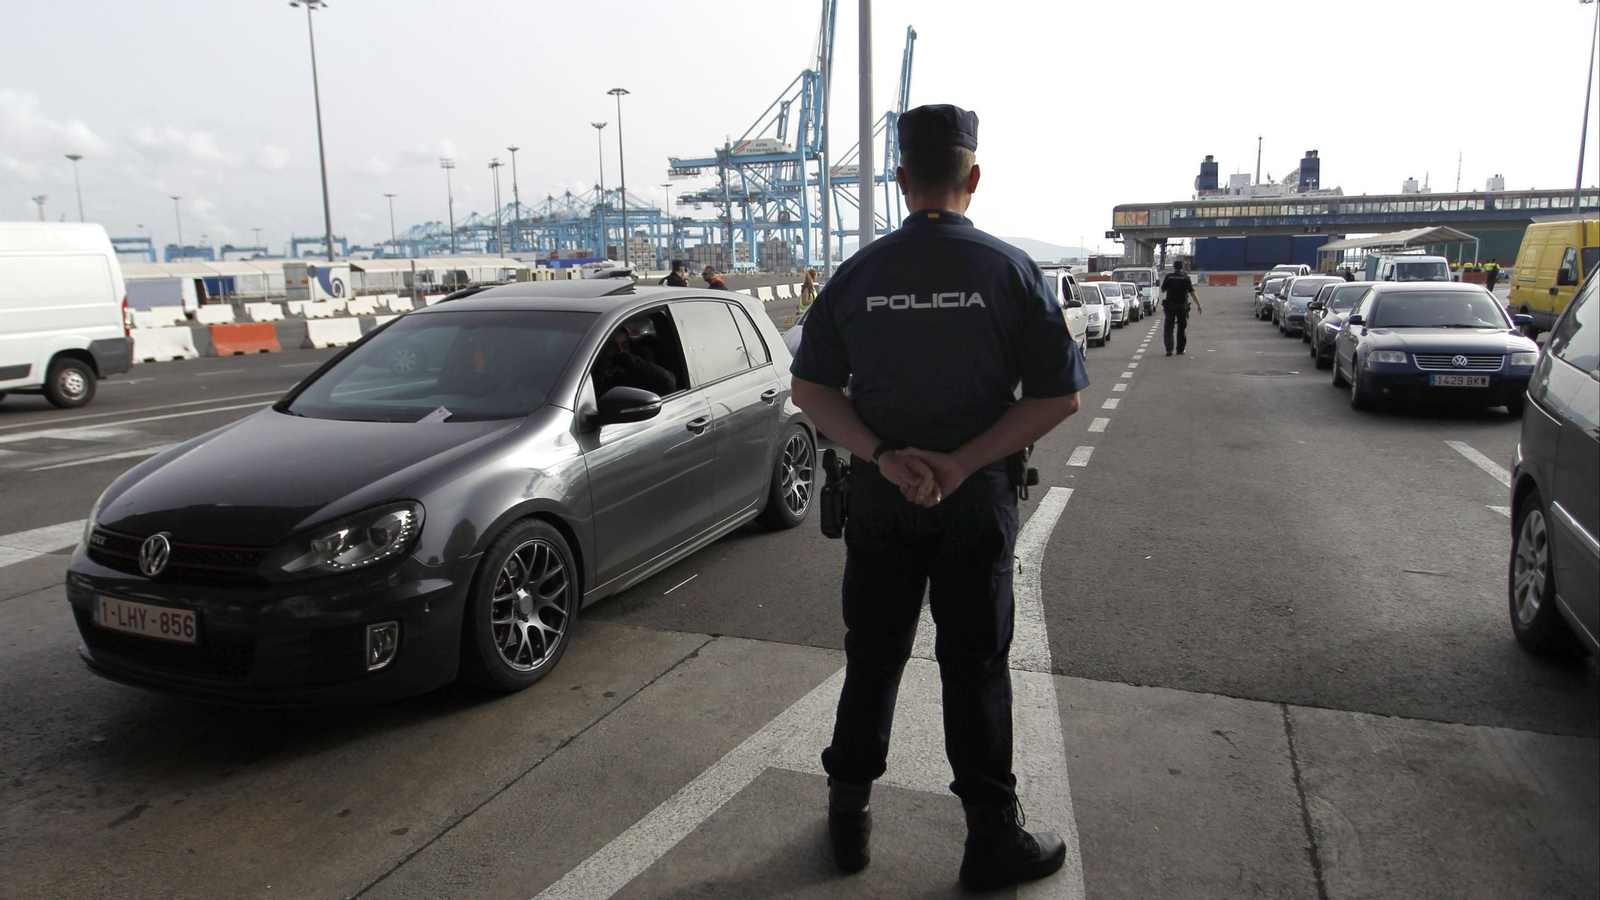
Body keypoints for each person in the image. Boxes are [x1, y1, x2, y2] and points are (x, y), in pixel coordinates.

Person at [790, 103, 1087, 892]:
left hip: (883, 502)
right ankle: (991, 841)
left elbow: (810, 387)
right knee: (976, 668)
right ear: (974, 178)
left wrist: (886, 456)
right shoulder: (1010, 270)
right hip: (973, 501)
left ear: (898, 180)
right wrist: (960, 465)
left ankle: (848, 820)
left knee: (873, 660)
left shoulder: (858, 275)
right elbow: (1059, 398)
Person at [592, 325, 676, 398]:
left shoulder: (633, 376)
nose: (620, 351)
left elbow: (667, 382)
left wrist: (628, 361)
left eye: (625, 346)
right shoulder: (588, 372)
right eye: (611, 347)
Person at [1159, 260, 1203, 356]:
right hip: (1182, 306)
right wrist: (1199, 305)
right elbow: (1192, 292)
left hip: (1170, 306)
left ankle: (1169, 350)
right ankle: (1180, 349)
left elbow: (1162, 290)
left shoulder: (1168, 277)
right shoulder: (1185, 278)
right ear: (1182, 267)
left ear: (1174, 267)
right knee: (1181, 328)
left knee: (1168, 328)